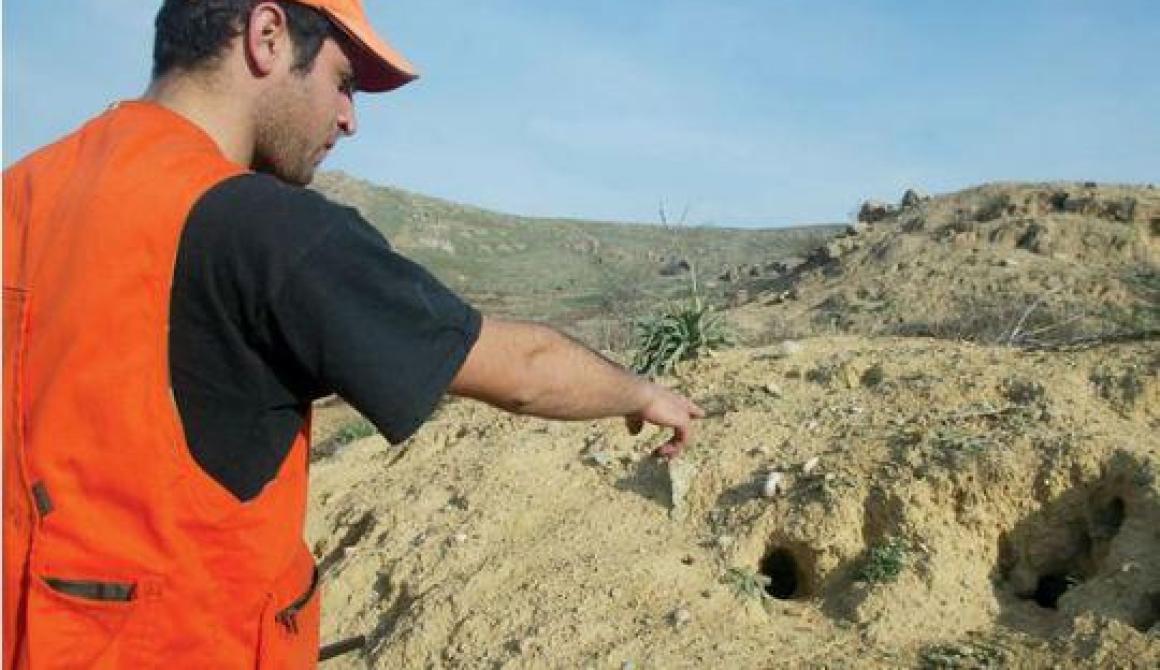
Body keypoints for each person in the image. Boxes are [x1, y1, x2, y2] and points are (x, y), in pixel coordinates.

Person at [1, 1, 704, 667]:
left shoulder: (21, 192)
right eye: (344, 82)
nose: (348, 119)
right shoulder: (267, 229)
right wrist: (641, 392)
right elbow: (521, 369)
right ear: (267, 36)